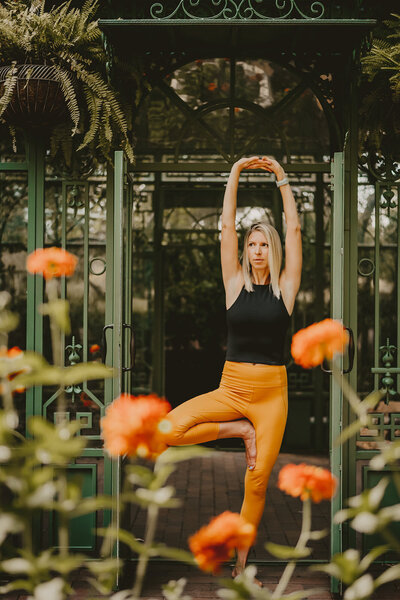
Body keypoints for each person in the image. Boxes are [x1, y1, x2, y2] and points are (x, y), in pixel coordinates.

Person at [164, 156, 302, 583]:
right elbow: (226, 226)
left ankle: (242, 567)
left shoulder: (286, 287)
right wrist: (235, 173)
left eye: (264, 244)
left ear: (272, 250)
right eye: (252, 244)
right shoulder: (234, 284)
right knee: (166, 432)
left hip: (271, 396)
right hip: (232, 387)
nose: (257, 250)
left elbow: (295, 230)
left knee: (257, 481)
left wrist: (281, 179)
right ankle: (238, 431)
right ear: (245, 250)